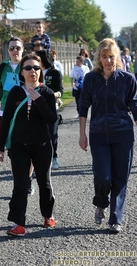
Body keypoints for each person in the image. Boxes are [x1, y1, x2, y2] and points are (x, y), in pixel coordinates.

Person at [79, 38, 137, 234]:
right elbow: (83, 106)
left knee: (120, 178)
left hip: (123, 134)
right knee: (103, 177)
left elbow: (135, 106)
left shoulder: (128, 79)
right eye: (104, 57)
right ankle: (101, 203)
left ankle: (115, 220)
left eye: (111, 56)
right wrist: (82, 134)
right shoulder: (91, 79)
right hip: (98, 134)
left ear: (117, 57)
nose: (108, 61)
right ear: (98, 58)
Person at [0, 53, 57, 237]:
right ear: (21, 72)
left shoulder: (46, 92)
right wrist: (0, 147)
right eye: (28, 68)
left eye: (37, 68)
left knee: (44, 182)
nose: (33, 71)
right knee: (20, 184)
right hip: (19, 145)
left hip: (42, 144)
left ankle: (48, 215)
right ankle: (19, 223)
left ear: (41, 71)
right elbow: (6, 120)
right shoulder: (15, 92)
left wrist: (38, 99)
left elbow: (51, 119)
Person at [0, 37, 34, 195]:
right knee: (12, 149)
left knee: (30, 148)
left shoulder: (29, 66)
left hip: (26, 112)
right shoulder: (3, 68)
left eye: (18, 48)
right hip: (5, 114)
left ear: (23, 50)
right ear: (7, 50)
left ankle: (27, 179)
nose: (15, 51)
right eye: (12, 48)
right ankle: (19, 182)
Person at [35, 49, 64, 170]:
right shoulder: (34, 72)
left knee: (52, 134)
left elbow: (60, 90)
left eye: (38, 58)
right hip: (36, 108)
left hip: (51, 107)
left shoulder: (55, 73)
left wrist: (52, 95)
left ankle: (54, 157)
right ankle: (39, 159)